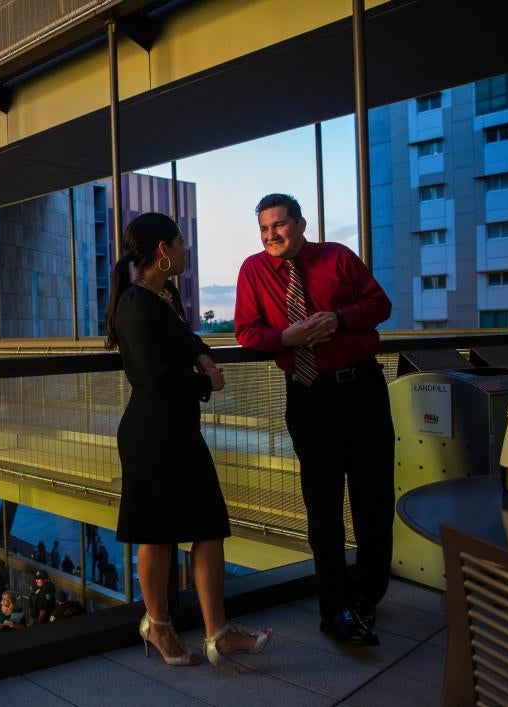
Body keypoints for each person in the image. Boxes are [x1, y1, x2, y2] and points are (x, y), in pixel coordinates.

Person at [106, 212, 271, 666]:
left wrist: (202, 354)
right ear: (163, 251)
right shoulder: (135, 304)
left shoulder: (165, 297)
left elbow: (185, 340)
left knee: (208, 525)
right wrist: (207, 384)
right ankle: (158, 625)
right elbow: (150, 374)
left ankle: (218, 633)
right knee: (157, 533)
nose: (185, 250)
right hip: (151, 432)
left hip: (176, 429)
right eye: (180, 242)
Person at [234, 193, 393, 647]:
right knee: (323, 507)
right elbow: (246, 332)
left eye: (279, 226)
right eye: (264, 229)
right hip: (309, 394)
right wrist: (288, 335)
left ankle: (368, 596)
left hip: (362, 389)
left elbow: (380, 306)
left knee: (373, 498)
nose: (271, 236)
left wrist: (339, 319)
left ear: (301, 224)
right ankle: (335, 610)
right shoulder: (253, 271)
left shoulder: (338, 258)